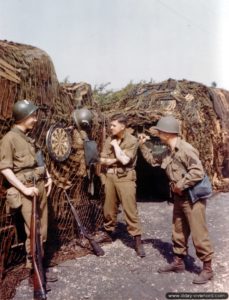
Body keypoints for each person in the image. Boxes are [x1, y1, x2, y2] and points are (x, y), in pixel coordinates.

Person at [138, 115, 214, 284]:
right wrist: (142, 145)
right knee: (178, 230)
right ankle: (178, 262)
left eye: (159, 130)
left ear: (167, 132)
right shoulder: (167, 151)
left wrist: (180, 184)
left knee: (199, 234)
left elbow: (197, 172)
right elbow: (152, 160)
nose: (157, 133)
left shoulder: (186, 149)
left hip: (192, 197)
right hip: (179, 197)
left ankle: (208, 269)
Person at [0, 99, 57, 288]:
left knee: (43, 230)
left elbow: (38, 160)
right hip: (26, 191)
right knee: (34, 232)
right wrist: (23, 189)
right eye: (32, 116)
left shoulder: (29, 137)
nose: (35, 119)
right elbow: (5, 169)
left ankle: (38, 267)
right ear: (23, 117)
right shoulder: (9, 138)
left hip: (38, 187)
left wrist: (47, 176)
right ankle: (36, 274)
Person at [99, 113, 145, 258]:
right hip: (110, 176)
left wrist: (115, 148)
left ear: (122, 126)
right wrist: (115, 158)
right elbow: (102, 159)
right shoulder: (109, 139)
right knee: (109, 207)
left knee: (130, 208)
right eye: (111, 125)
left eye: (114, 125)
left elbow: (125, 161)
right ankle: (108, 232)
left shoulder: (132, 140)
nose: (111, 127)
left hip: (125, 177)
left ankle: (137, 239)